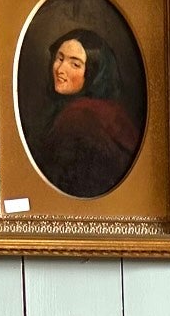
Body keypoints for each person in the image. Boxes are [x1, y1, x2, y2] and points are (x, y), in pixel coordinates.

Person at [29, 26, 142, 198]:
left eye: (75, 64)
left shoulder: (79, 117)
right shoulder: (106, 110)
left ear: (93, 73)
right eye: (59, 58)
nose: (60, 70)